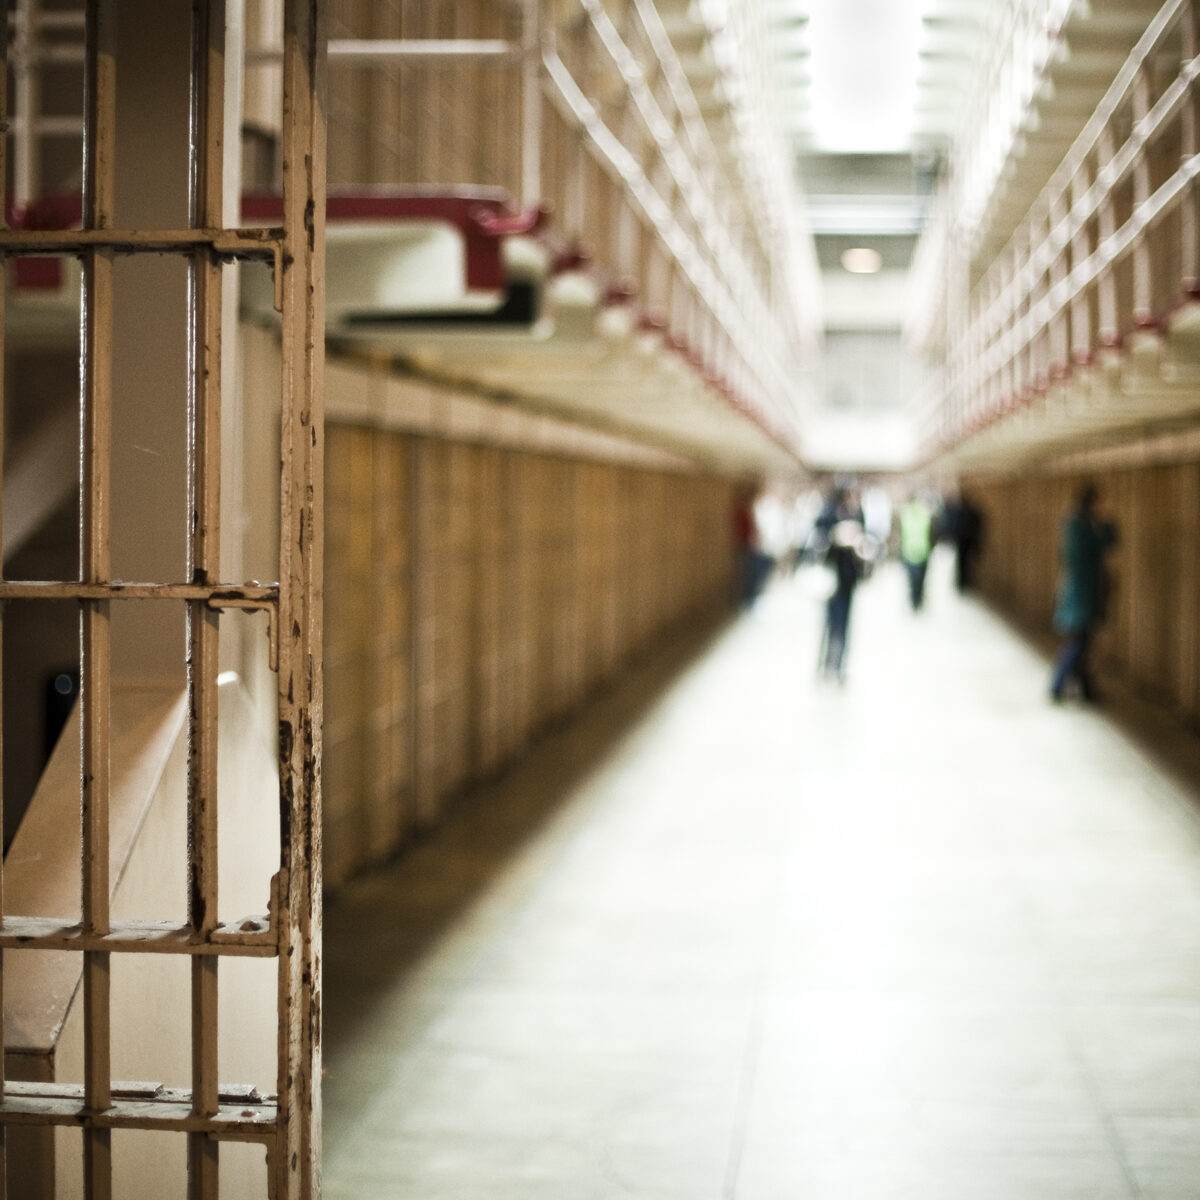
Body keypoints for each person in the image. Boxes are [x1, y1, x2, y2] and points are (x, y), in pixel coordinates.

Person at [1049, 483, 1118, 703]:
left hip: (1082, 593)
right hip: (1082, 595)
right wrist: (1105, 521)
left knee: (1083, 643)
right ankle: (1059, 685)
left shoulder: (1076, 525)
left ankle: (1082, 689)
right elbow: (1108, 540)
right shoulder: (1081, 527)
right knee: (1080, 642)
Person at [818, 502, 868, 683]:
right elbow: (822, 556)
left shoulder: (858, 525)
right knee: (831, 628)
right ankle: (824, 666)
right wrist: (836, 540)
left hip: (847, 588)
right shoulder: (827, 521)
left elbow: (861, 566)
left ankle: (837, 667)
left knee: (842, 628)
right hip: (833, 589)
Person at [898, 490, 936, 611]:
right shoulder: (925, 513)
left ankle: (915, 602)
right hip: (923, 551)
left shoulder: (905, 514)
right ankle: (918, 601)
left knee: (913, 579)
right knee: (920, 580)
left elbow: (900, 534)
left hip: (909, 551)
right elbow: (933, 533)